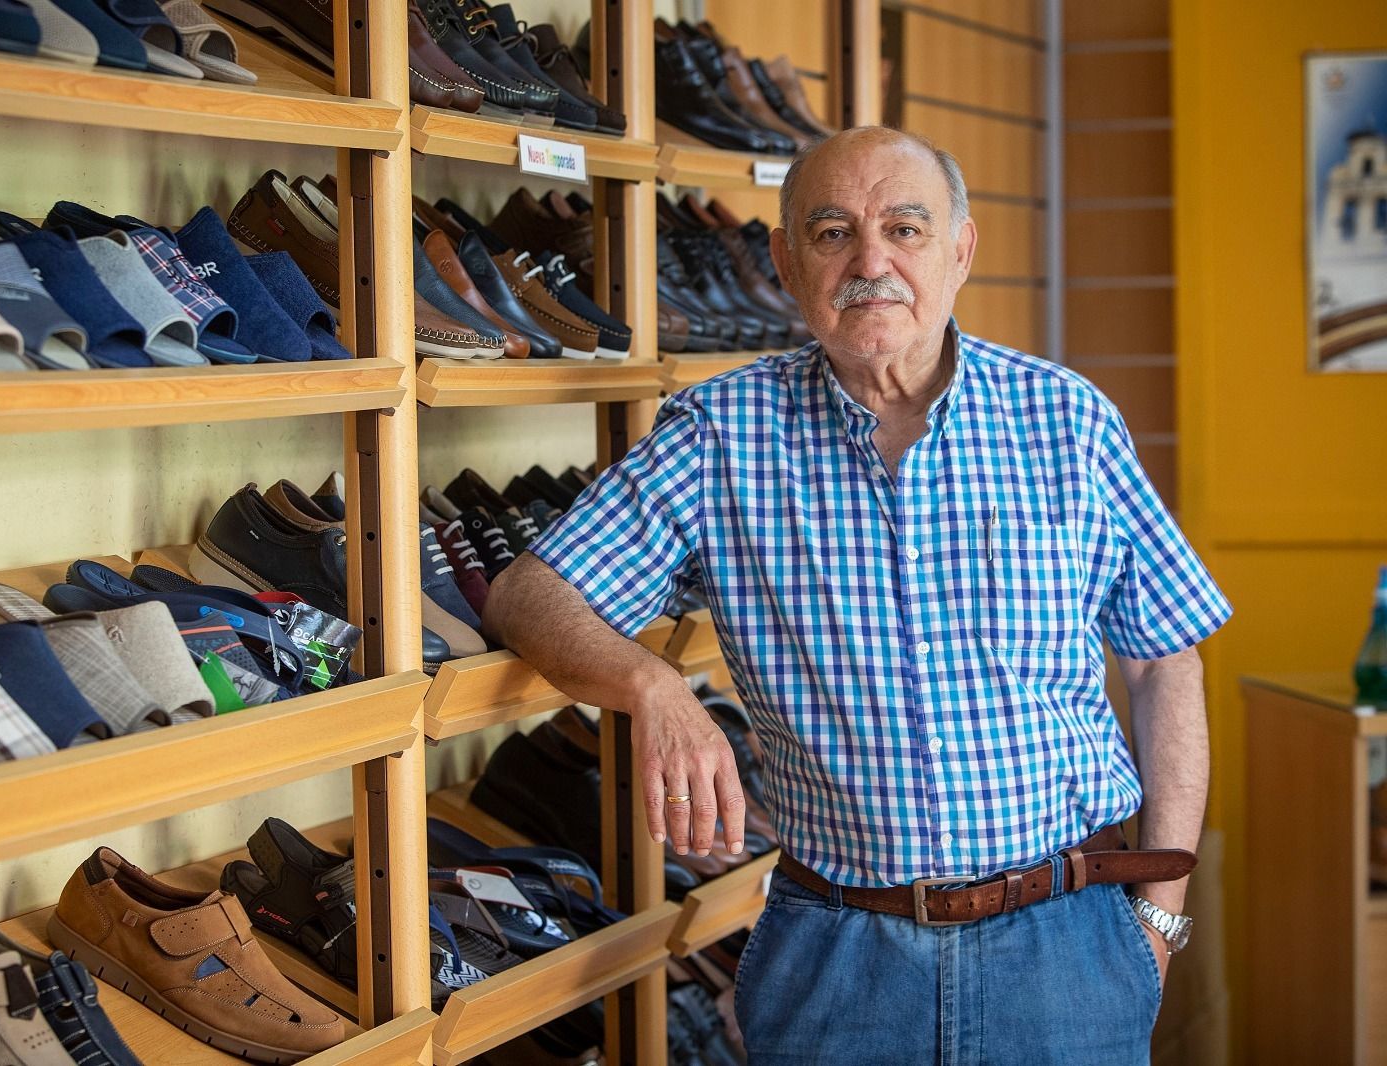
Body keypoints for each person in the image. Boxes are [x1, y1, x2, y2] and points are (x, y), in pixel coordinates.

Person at [483, 127, 1230, 1065]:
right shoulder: (721, 434)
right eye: (833, 233)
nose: (871, 262)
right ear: (787, 262)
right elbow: (528, 594)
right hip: (837, 960)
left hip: (1068, 948)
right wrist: (653, 688)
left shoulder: (1067, 420)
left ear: (960, 250)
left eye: (905, 229)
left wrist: (1159, 919)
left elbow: (1166, 661)